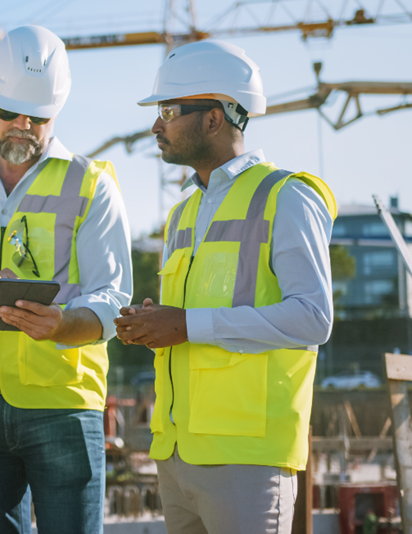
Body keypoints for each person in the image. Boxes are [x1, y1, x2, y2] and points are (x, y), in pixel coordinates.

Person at [0, 25, 133, 534]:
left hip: (62, 404)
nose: (23, 126)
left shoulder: (91, 185)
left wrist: (63, 324)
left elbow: (113, 296)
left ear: (56, 111)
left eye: (37, 117)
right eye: (10, 112)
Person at [114, 40, 337, 534]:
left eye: (168, 111)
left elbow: (313, 318)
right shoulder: (182, 212)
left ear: (214, 118)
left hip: (248, 460)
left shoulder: (287, 196)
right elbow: (195, 318)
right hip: (176, 454)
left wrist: (187, 324)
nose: (156, 125)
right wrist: (155, 322)